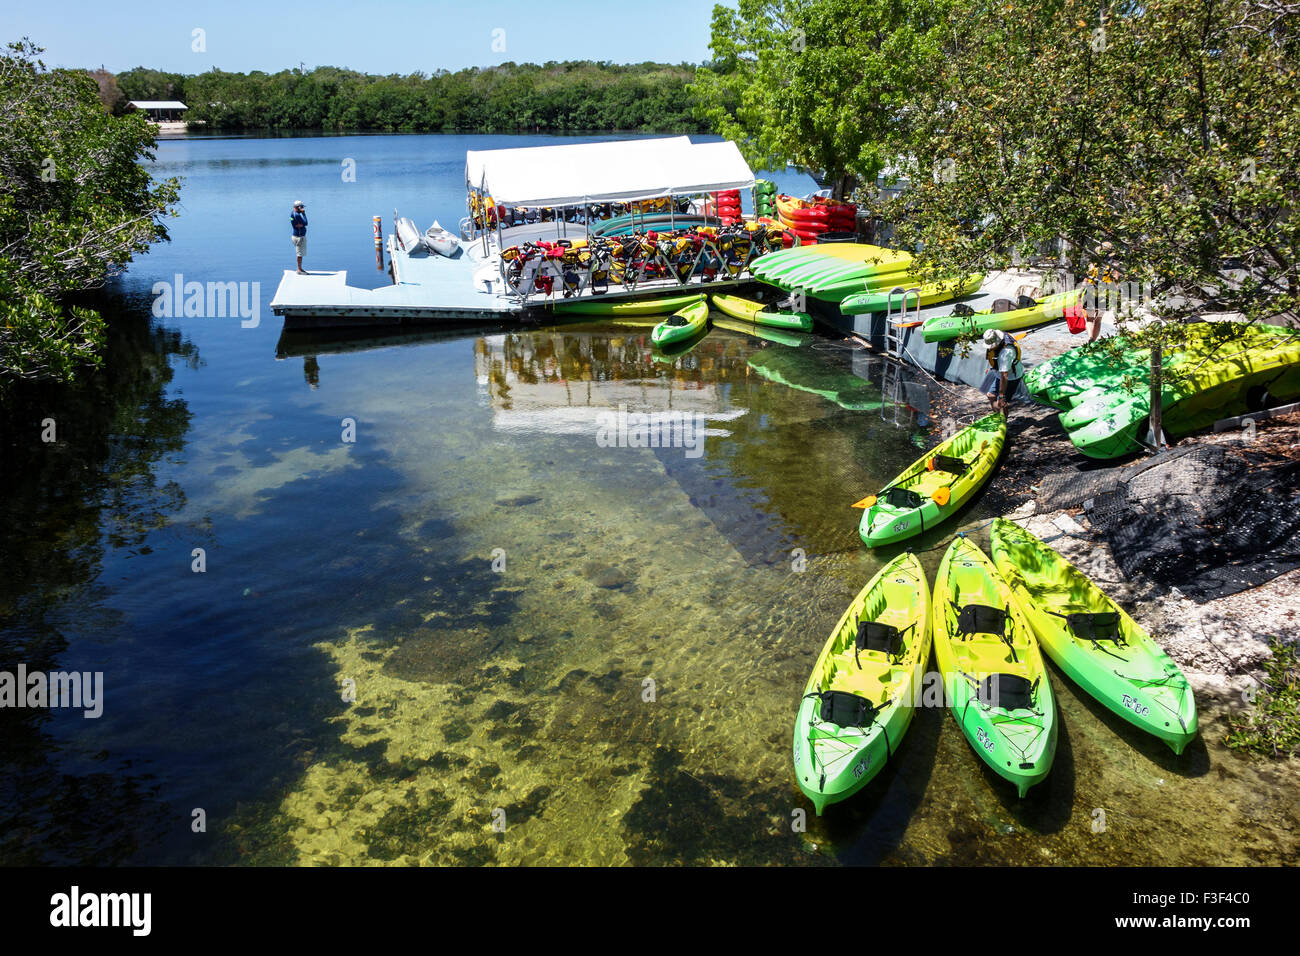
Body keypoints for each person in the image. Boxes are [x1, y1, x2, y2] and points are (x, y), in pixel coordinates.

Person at [981, 328, 1025, 413]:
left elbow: (1004, 375)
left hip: (1011, 377)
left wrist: (1001, 396)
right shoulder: (1000, 337)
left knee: (1002, 404)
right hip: (999, 373)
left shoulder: (1006, 353)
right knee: (990, 395)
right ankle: (998, 415)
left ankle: (1003, 422)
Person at [290, 200, 308, 274]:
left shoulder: (293, 213)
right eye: (302, 207)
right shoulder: (297, 215)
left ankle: (299, 268)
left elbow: (302, 224)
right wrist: (304, 214)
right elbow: (306, 222)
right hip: (299, 237)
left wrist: (301, 224)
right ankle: (299, 269)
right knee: (299, 254)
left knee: (300, 254)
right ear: (298, 207)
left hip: (297, 236)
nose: (303, 209)